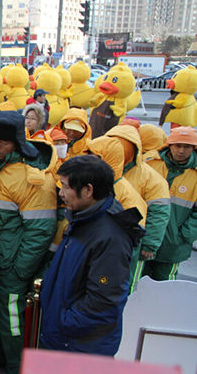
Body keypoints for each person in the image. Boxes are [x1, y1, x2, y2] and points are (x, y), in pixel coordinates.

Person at [0, 110, 57, 374]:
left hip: (10, 267)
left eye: (3, 142)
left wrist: (19, 271)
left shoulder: (33, 179)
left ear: (18, 142)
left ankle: (16, 373)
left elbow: (39, 232)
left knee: (12, 322)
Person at [40, 155, 145, 355]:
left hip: (80, 345)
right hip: (67, 339)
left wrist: (65, 323)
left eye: (65, 187)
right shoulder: (84, 219)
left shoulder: (110, 237)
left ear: (88, 190)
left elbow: (103, 301)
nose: (61, 193)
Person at [105, 125, 171, 292]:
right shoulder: (101, 169)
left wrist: (149, 244)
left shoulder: (150, 178)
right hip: (106, 241)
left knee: (127, 285)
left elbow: (159, 212)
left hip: (133, 242)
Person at [144, 127, 197, 281]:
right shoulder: (150, 163)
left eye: (187, 147)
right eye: (177, 145)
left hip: (174, 245)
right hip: (145, 238)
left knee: (166, 286)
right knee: (139, 284)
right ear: (169, 145)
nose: (181, 150)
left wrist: (183, 236)